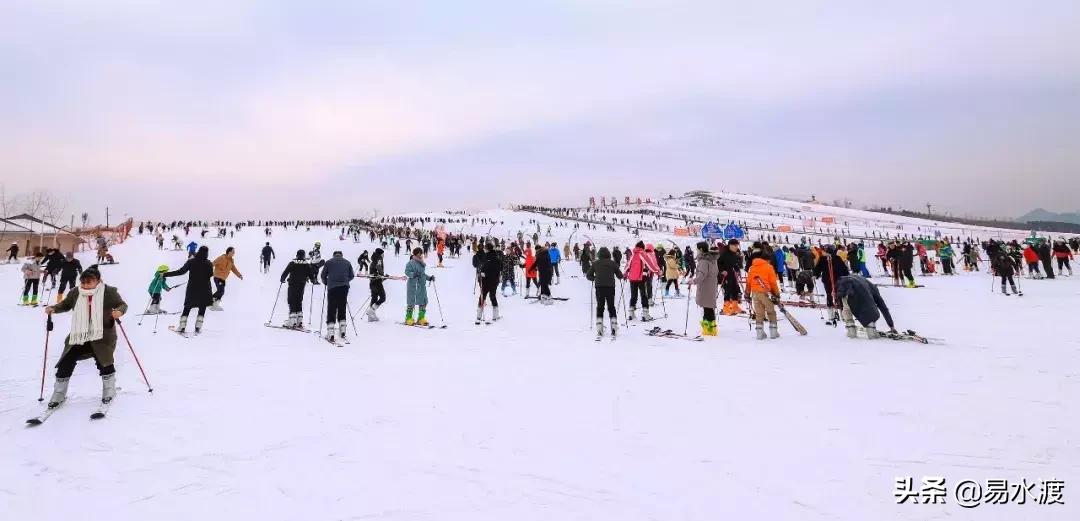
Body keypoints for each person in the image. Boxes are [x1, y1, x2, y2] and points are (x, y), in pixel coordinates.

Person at [42, 267, 127, 409]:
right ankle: (59, 393)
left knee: (104, 362)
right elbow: (65, 304)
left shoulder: (108, 292)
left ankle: (109, 390)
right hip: (79, 335)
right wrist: (54, 308)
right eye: (83, 282)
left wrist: (119, 311)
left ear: (98, 281)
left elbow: (122, 304)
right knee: (66, 361)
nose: (85, 285)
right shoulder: (75, 292)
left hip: (102, 335)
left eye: (89, 282)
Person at [162, 245, 214, 335]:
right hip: (205, 289)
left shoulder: (191, 261)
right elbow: (210, 274)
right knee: (202, 307)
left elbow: (180, 272)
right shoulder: (209, 263)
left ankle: (182, 327)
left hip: (193, 288)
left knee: (187, 307)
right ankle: (198, 327)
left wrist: (165, 274)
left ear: (198, 251)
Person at [835, 274, 896, 339]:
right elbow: (883, 308)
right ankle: (871, 331)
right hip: (853, 288)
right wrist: (891, 325)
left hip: (843, 286)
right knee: (870, 311)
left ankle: (851, 331)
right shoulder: (873, 291)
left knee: (847, 308)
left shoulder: (864, 282)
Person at [586, 246, 623, 338]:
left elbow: (588, 275)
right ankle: (614, 326)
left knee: (600, 307)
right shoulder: (612, 263)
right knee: (611, 307)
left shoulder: (595, 263)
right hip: (610, 287)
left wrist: (594, 278)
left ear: (599, 254)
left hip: (599, 288)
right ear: (608, 254)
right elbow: (620, 275)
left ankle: (599, 328)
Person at [321, 251, 354, 342]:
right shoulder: (347, 262)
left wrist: (326, 282)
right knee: (342, 306)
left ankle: (331, 331)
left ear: (334, 255)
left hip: (332, 287)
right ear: (341, 255)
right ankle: (343, 330)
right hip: (344, 288)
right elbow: (352, 276)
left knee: (331, 307)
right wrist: (345, 280)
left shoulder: (329, 262)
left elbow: (323, 275)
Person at [746, 255, 781, 340]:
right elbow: (773, 283)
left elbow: (748, 282)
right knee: (771, 311)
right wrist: (776, 294)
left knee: (759, 313)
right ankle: (773, 332)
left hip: (755, 293)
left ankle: (759, 333)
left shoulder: (752, 268)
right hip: (766, 293)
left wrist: (747, 293)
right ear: (767, 260)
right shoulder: (769, 267)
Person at [814, 245, 850, 325]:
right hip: (834, 280)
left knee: (832, 295)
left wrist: (815, 274)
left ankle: (834, 315)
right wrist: (846, 275)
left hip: (831, 280)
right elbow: (844, 269)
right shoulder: (835, 258)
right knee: (836, 295)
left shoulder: (827, 258)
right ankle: (840, 315)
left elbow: (817, 269)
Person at [280, 250, 316, 328]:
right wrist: (313, 280)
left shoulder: (293, 263)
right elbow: (311, 274)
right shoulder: (306, 264)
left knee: (292, 300)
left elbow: (286, 271)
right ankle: (300, 321)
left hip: (292, 284)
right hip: (301, 285)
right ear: (304, 256)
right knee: (299, 300)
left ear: (297, 255)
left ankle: (292, 321)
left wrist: (282, 279)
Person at [624, 241, 659, 321]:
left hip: (632, 278)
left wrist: (625, 274)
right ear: (642, 247)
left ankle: (631, 314)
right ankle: (645, 314)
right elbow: (650, 265)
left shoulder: (633, 255)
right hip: (641, 278)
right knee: (643, 295)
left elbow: (627, 265)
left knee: (633, 296)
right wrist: (658, 272)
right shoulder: (642, 254)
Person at [691, 242, 719, 336]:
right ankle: (712, 328)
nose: (696, 251)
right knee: (709, 308)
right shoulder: (713, 259)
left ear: (701, 249)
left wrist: (693, 281)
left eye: (697, 249)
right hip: (711, 286)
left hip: (705, 287)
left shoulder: (704, 261)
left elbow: (702, 274)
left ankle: (708, 329)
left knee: (707, 308)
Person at [404, 248, 435, 326]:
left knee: (423, 302)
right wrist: (413, 274)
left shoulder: (421, 263)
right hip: (413, 285)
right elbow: (407, 272)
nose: (420, 254)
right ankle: (408, 318)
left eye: (421, 253)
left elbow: (422, 274)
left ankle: (421, 318)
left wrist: (429, 278)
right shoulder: (410, 263)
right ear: (415, 253)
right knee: (411, 302)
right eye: (419, 253)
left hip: (421, 285)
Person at [476, 243, 502, 323]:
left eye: (485, 248)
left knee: (487, 296)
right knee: (487, 296)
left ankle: (493, 315)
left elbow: (496, 269)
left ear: (487, 249)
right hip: (489, 281)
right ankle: (480, 316)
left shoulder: (492, 258)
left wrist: (484, 273)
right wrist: (481, 273)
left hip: (490, 280)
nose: (484, 249)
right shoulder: (488, 257)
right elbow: (482, 267)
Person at [718, 239, 744, 315]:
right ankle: (726, 308)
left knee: (735, 290)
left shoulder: (734, 253)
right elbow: (718, 263)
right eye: (735, 245)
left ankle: (735, 306)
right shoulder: (724, 253)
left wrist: (737, 269)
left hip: (732, 274)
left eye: (737, 245)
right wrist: (722, 271)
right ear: (730, 245)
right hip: (725, 275)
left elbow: (735, 263)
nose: (736, 247)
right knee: (728, 290)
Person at [366, 248, 386, 321]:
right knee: (383, 298)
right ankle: (371, 310)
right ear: (380, 254)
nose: (383, 255)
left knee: (374, 298)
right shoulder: (379, 259)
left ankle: (371, 317)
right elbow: (378, 267)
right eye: (383, 254)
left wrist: (383, 277)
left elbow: (373, 271)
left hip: (372, 282)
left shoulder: (373, 260)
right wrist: (382, 274)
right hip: (377, 282)